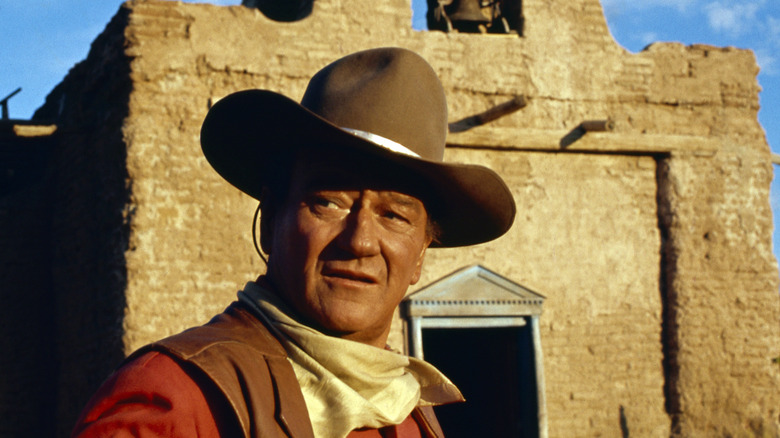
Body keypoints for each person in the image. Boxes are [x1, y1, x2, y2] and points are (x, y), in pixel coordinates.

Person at [70, 47, 516, 438]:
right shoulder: (179, 399)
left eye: (394, 216)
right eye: (328, 202)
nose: (360, 241)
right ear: (270, 221)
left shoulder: (408, 411)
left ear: (420, 255)